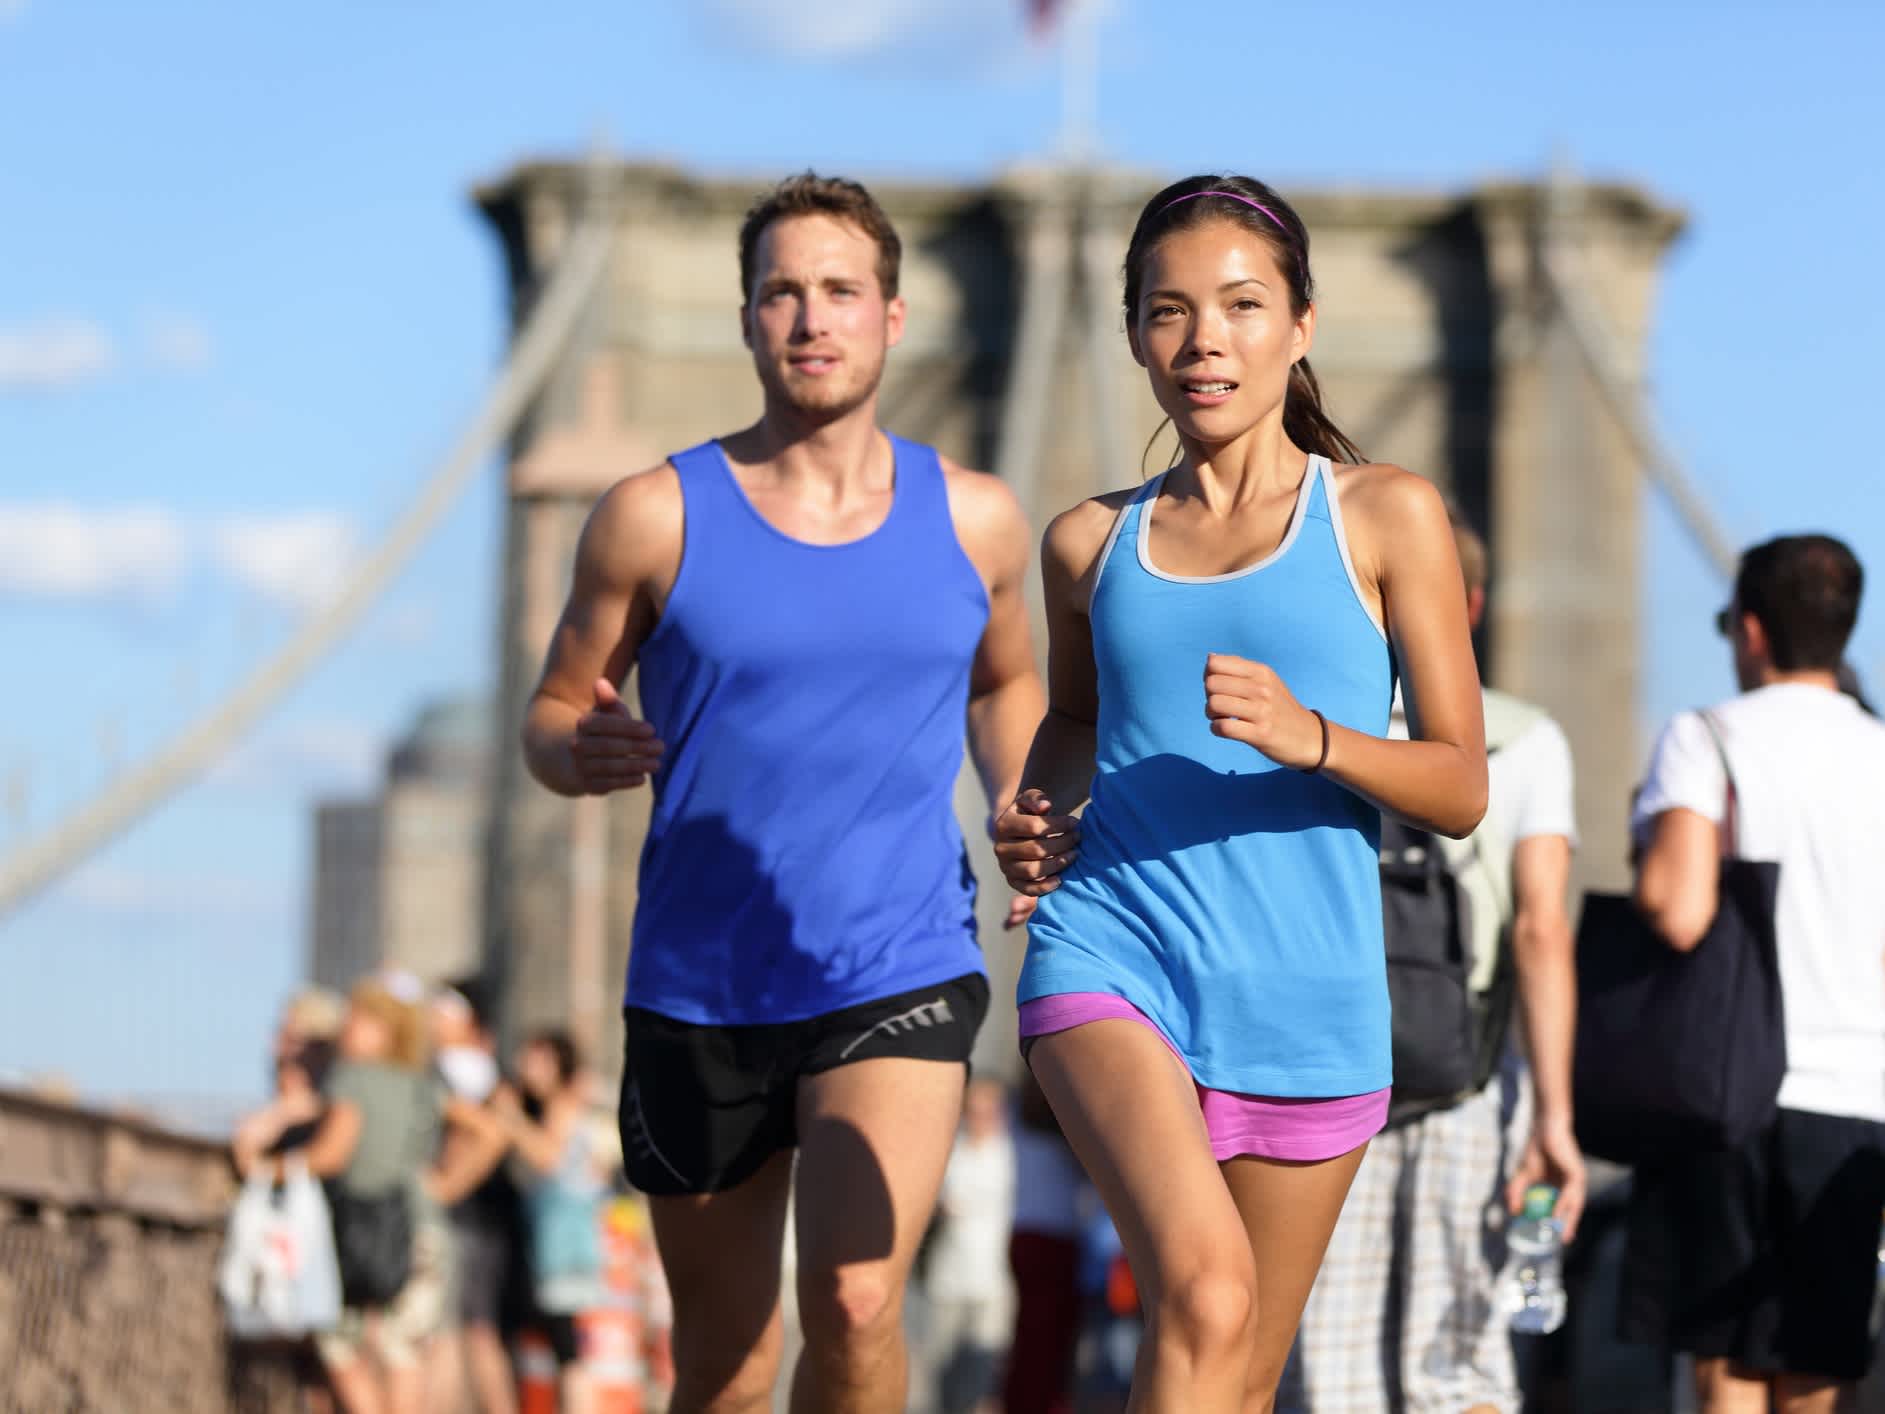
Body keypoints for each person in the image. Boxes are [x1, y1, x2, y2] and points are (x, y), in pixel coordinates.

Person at [519, 170, 1044, 1413]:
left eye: (841, 292)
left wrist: (1022, 798)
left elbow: (1004, 686)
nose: (813, 317)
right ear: (749, 319)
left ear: (892, 316)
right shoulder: (650, 516)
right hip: (701, 980)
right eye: (783, 293)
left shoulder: (975, 519)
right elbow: (551, 709)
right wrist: (572, 751)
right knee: (724, 1362)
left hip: (897, 960)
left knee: (859, 1303)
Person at [994, 173, 1487, 1411]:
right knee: (1205, 1297)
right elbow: (1071, 720)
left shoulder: (1386, 516)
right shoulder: (1084, 544)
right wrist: (1037, 814)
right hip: (1113, 954)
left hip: (1306, 992)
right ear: (1134, 337)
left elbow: (1460, 785)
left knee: (1236, 1369)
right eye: (1168, 312)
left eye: (1241, 305)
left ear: (1302, 324)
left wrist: (1315, 736)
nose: (1203, 339)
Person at [1282, 512, 1586, 1413]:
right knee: (1457, 1361)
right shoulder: (1525, 739)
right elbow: (1539, 931)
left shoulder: (1308, 731)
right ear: (1473, 607)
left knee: (1328, 1364)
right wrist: (1554, 1116)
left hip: (1319, 1080)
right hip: (1469, 1084)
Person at [1625, 534, 1885, 1414]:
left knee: (1723, 1357)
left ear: (1748, 629)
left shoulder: (1705, 738)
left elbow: (1676, 904)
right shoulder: (1877, 752)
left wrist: (1643, 855)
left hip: (1724, 1089)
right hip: (1853, 1096)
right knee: (1814, 1357)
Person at [291, 978, 453, 1414]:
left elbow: (330, 1155)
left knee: (339, 1346)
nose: (349, 1026)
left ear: (386, 1030)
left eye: (360, 1019)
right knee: (404, 1354)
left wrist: (267, 1169)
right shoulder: (422, 1083)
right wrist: (447, 1183)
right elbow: (487, 1129)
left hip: (362, 1230)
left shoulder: (351, 1078)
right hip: (423, 1228)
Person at [498, 1029, 609, 1414]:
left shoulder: (563, 1105)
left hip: (563, 1242)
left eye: (537, 1059)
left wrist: (508, 1119)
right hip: (558, 1238)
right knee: (560, 1348)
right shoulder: (556, 1106)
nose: (526, 1067)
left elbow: (548, 1157)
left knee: (567, 1350)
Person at [425, 979, 523, 1414]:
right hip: (481, 1222)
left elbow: (491, 1137)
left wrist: (446, 1187)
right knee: (469, 1334)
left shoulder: (458, 1072)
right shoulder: (477, 1072)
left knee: (458, 1334)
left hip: (466, 1221)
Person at [923, 1078, 1015, 1414]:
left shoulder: (1011, 1154)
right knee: (944, 1375)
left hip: (992, 1283)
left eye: (989, 1110)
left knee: (982, 1378)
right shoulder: (949, 1151)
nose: (981, 1118)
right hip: (947, 1281)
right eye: (975, 1110)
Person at [1001, 1069, 1087, 1414]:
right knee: (1052, 1340)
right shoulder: (1063, 1121)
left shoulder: (1017, 1114)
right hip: (1057, 1237)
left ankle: (1022, 1402)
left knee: (1030, 1336)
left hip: (1024, 1232)